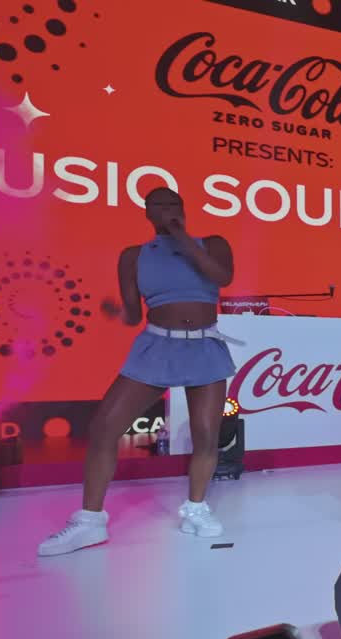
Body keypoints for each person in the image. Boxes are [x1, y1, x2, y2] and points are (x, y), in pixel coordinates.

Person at [39, 187, 236, 556]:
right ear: (147, 214)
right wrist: (119, 312)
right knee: (103, 427)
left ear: (183, 209)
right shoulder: (134, 256)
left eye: (173, 204)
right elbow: (133, 313)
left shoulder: (212, 243)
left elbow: (220, 277)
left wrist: (179, 236)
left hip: (204, 346)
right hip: (157, 345)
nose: (166, 210)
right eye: (157, 206)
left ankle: (195, 509)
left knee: (207, 434)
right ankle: (89, 521)